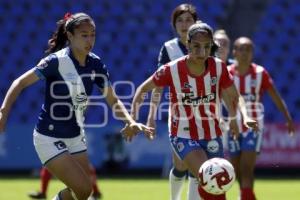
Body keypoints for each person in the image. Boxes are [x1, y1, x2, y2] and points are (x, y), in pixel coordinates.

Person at [0, 12, 152, 200]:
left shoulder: (96, 64)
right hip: (48, 137)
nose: (90, 40)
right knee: (82, 189)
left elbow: (113, 100)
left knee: (83, 193)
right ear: (70, 36)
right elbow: (19, 82)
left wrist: (130, 121)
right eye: (84, 35)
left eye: (93, 34)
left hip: (76, 136)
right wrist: (3, 112)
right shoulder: (55, 61)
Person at [130, 22, 249, 200]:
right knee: (208, 176)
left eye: (207, 47)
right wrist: (133, 119)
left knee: (218, 189)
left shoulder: (218, 67)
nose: (202, 52)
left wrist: (243, 117)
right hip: (183, 134)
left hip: (212, 133)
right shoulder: (172, 69)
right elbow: (142, 89)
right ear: (187, 45)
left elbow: (234, 95)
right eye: (196, 46)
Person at [227, 37, 295, 200]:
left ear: (252, 53)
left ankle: (246, 196)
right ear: (234, 52)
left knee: (246, 167)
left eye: (248, 49)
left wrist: (287, 118)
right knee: (235, 169)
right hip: (232, 126)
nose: (244, 53)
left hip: (254, 125)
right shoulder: (227, 73)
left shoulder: (260, 73)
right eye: (241, 49)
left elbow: (275, 96)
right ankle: (246, 194)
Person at [146, 4, 200, 200]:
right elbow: (158, 85)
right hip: (179, 115)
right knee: (180, 164)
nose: (184, 24)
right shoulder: (169, 49)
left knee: (198, 165)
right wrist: (151, 117)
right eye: (180, 20)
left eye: (188, 20)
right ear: (174, 24)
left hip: (206, 115)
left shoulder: (206, 46)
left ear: (196, 23)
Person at [28, 165, 102, 199]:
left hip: (72, 140)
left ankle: (96, 192)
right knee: (48, 166)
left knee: (86, 167)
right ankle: (43, 193)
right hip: (62, 141)